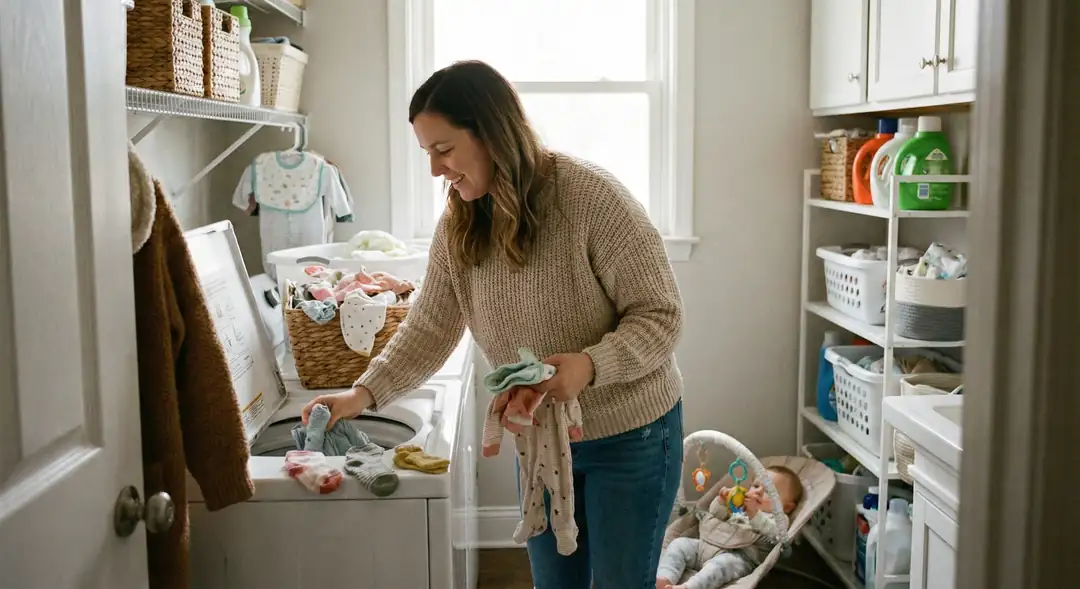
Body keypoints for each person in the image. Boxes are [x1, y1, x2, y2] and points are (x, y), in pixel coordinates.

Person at [302, 59, 685, 589]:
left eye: (444, 149)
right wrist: (360, 395)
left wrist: (589, 366)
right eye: (427, 153)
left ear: (492, 133)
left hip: (632, 435)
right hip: (543, 439)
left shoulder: (592, 198)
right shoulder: (460, 224)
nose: (435, 170)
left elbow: (661, 314)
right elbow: (429, 327)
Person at [656, 466, 805, 589]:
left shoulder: (779, 518)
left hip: (738, 556)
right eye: (756, 486)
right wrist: (722, 501)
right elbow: (716, 515)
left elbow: (775, 534)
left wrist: (754, 514)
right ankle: (664, 579)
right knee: (679, 544)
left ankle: (688, 587)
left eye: (769, 491)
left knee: (719, 567)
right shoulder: (739, 505)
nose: (758, 491)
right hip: (706, 545)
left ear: (787, 507)